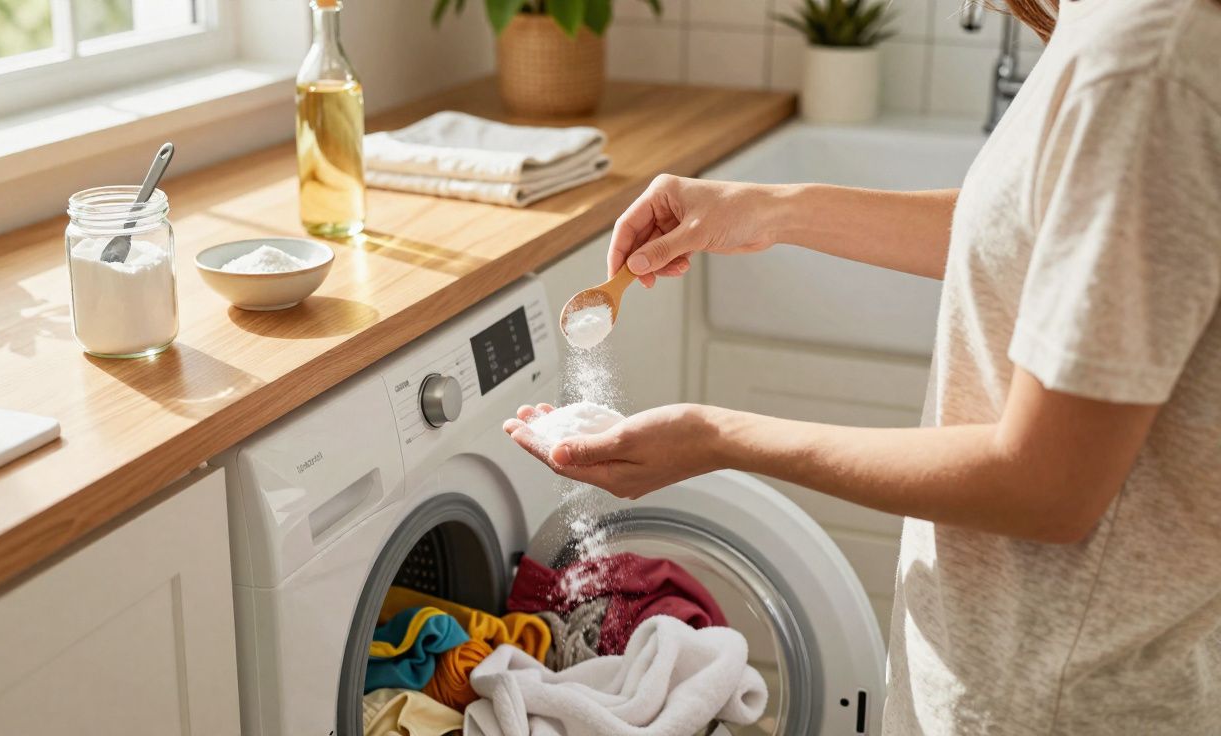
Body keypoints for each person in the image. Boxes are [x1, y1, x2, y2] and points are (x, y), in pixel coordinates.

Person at [503, 0, 1221, 732]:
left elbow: (1048, 484)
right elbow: (1029, 230)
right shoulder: (1109, 29)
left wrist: (715, 438)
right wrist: (770, 210)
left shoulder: (1145, 62)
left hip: (1057, 699)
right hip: (1006, 669)